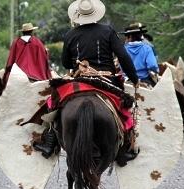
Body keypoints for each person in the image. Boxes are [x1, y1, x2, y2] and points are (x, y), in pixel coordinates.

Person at [33, 0, 139, 164]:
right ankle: (125, 146)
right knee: (125, 106)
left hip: (79, 80)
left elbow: (66, 63)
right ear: (96, 14)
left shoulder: (70, 34)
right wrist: (134, 79)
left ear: (78, 15)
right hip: (108, 80)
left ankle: (50, 140)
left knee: (52, 102)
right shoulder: (108, 31)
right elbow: (124, 57)